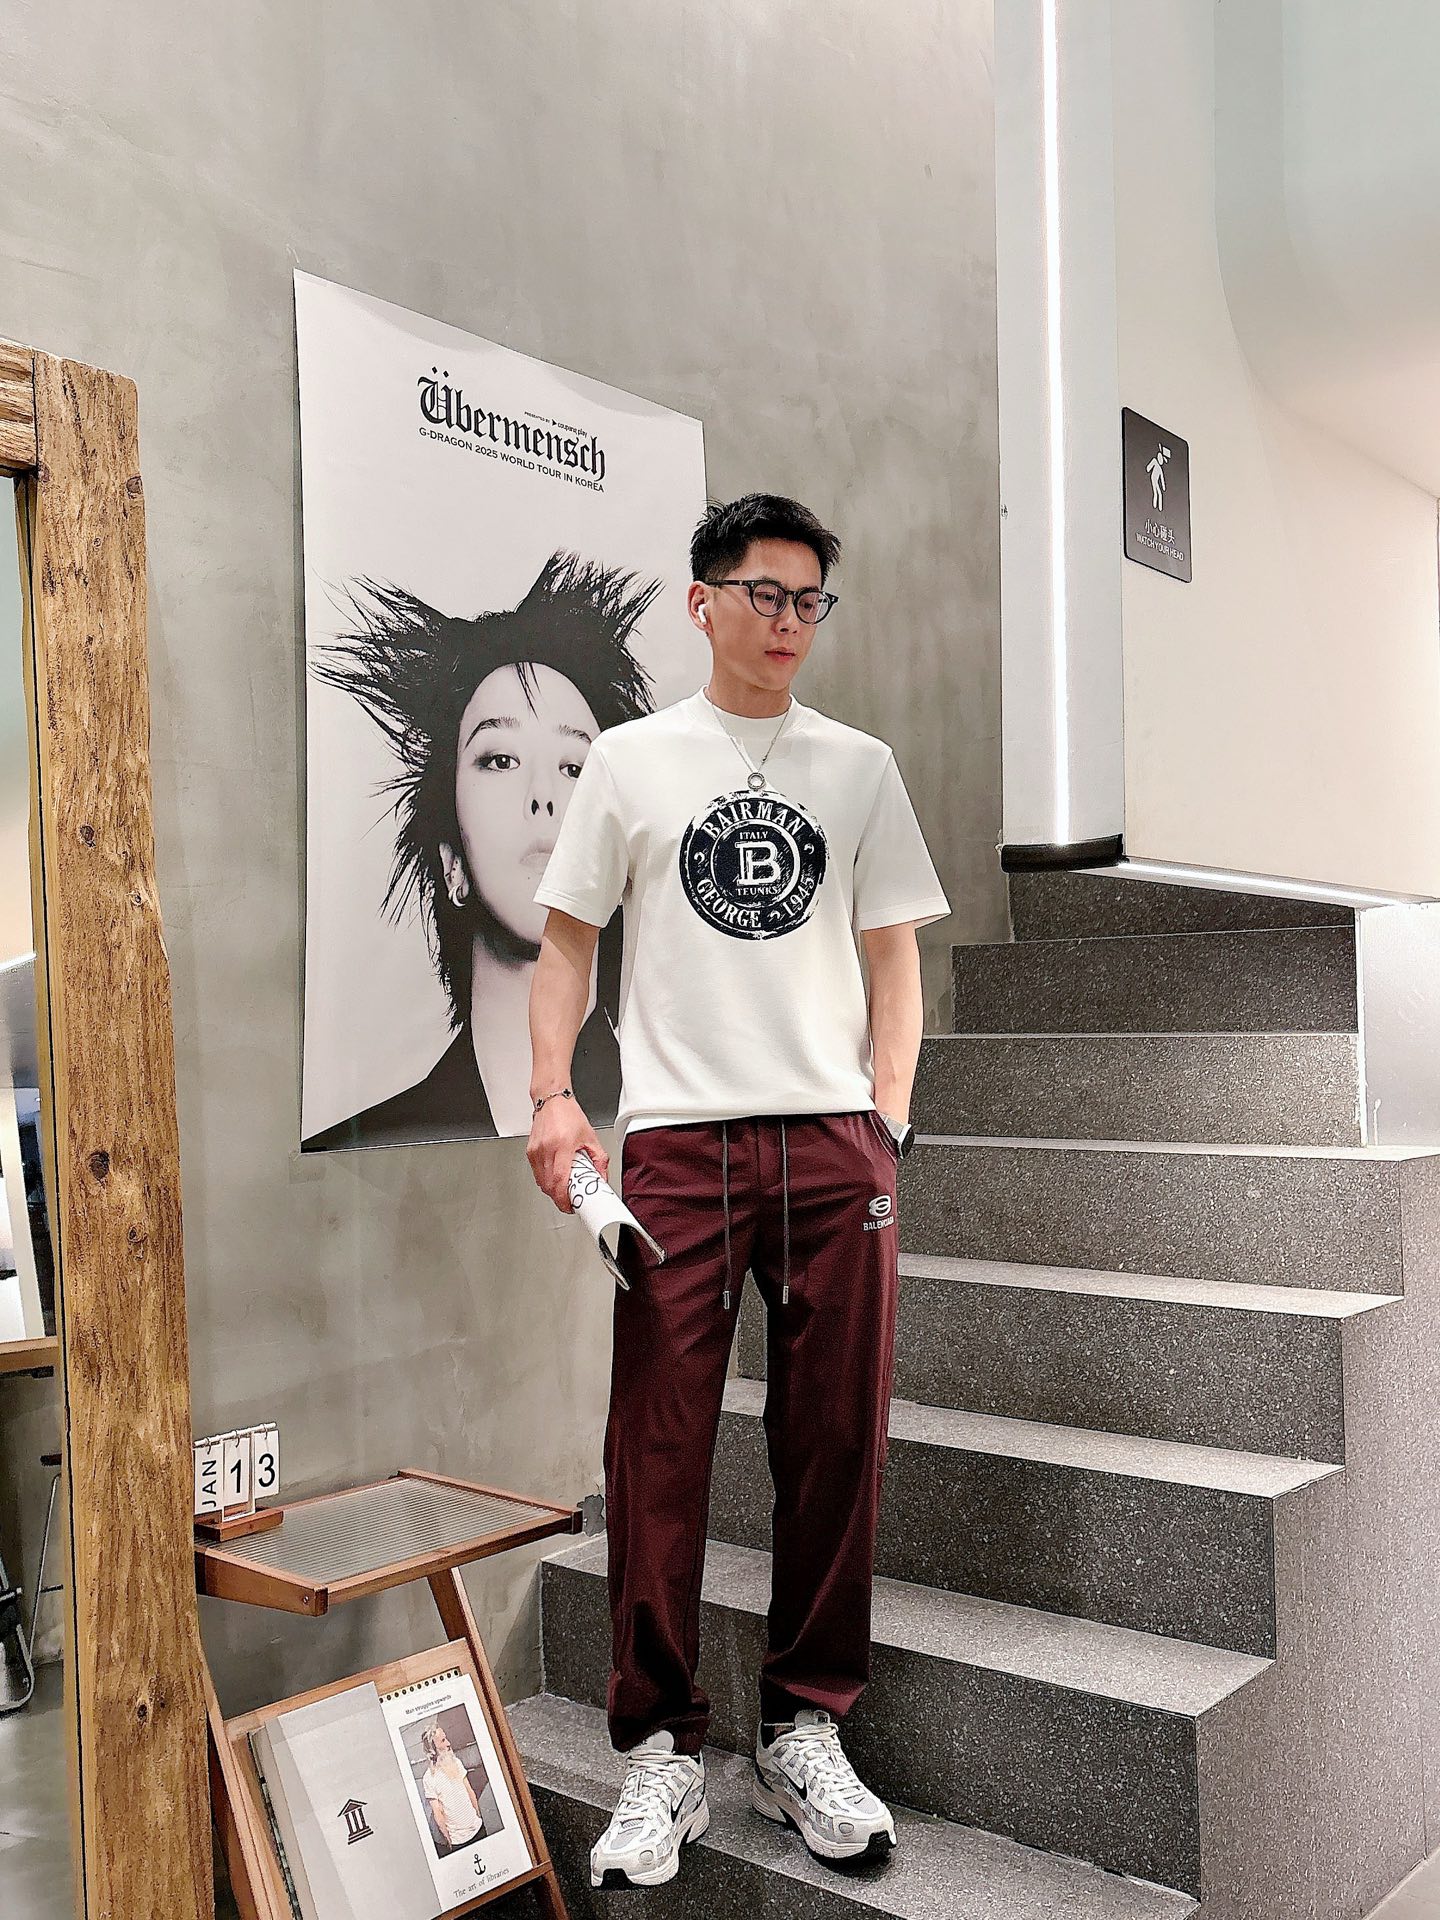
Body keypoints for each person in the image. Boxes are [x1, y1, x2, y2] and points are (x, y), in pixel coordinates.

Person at [526, 494, 950, 1890]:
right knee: (655, 1451)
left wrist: (886, 1120)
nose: (788, 622)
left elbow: (894, 957)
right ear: (702, 601)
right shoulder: (631, 763)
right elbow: (567, 944)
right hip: (679, 1150)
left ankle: (802, 1730)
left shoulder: (860, 767)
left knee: (837, 1444)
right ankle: (660, 1750)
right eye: (765, 594)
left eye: (809, 600)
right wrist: (551, 1097)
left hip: (832, 1148)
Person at [302, 552, 658, 1149]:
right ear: (451, 863)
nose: (543, 796)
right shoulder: (377, 1139)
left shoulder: (671, 1120)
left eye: (576, 767)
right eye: (500, 759)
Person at [419, 1721, 485, 1852]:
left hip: (478, 1829)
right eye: (443, 1741)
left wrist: (478, 1817)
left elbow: (470, 1792)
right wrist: (449, 1840)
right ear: (433, 1749)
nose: (448, 1743)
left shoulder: (456, 1762)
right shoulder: (429, 1778)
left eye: (446, 1738)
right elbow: (438, 1814)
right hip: (458, 1841)